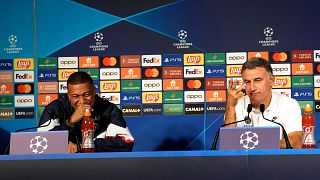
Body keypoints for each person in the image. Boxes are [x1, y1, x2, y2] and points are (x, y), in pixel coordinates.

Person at [38, 71, 134, 153]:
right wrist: (70, 122)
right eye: (75, 96)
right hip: (63, 166)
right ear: (68, 95)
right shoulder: (55, 109)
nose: (82, 101)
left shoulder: (108, 109)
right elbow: (40, 143)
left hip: (99, 166)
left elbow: (126, 142)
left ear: (94, 91)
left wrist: (82, 147)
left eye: (87, 94)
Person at [224, 57, 302, 148]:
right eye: (247, 82)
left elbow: (296, 142)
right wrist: (231, 106)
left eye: (258, 80)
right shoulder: (237, 104)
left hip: (277, 161)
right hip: (243, 161)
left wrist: (258, 144)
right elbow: (228, 144)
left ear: (271, 81)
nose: (252, 88)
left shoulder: (289, 104)